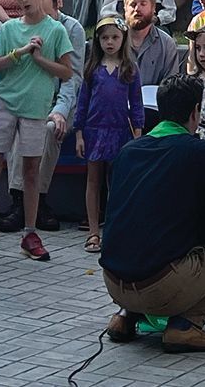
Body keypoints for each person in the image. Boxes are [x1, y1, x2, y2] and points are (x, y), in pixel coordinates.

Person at [101, 72, 205, 354]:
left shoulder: (128, 151)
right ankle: (186, 325)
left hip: (113, 282)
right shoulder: (200, 152)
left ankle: (126, 316)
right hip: (161, 286)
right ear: (195, 112)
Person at [0, 0, 73, 261]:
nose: (23, 0)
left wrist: (40, 60)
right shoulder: (10, 29)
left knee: (31, 170)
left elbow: (67, 71)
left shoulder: (56, 30)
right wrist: (21, 53)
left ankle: (30, 232)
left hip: (36, 107)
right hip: (5, 103)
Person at [76, 15, 144, 253]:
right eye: (104, 38)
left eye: (114, 37)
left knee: (117, 183)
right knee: (93, 180)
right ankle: (93, 231)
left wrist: (138, 132)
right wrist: (79, 134)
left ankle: (114, 230)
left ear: (123, 38)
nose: (109, 42)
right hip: (95, 131)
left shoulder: (129, 69)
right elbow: (82, 103)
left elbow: (136, 103)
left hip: (120, 132)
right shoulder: (92, 69)